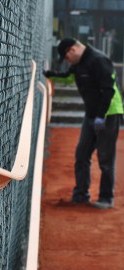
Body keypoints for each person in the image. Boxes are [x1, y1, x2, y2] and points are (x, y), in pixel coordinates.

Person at [43, 38, 123, 209]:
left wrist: (101, 116)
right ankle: (81, 195)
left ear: (72, 50)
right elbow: (69, 77)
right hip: (91, 114)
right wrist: (50, 75)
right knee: (82, 154)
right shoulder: (79, 64)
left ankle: (106, 198)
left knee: (105, 158)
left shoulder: (99, 60)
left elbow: (108, 90)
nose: (67, 61)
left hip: (108, 114)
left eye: (66, 57)